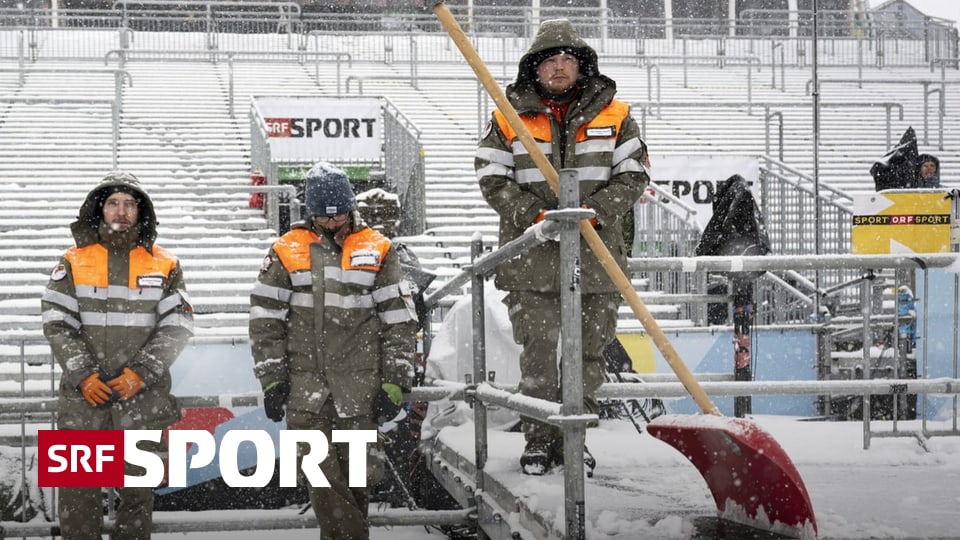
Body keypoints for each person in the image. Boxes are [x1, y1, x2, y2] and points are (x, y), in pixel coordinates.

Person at [475, 18, 650, 475]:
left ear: (581, 65)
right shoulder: (507, 116)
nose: (558, 67)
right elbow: (491, 177)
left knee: (588, 355)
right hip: (532, 258)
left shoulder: (615, 114)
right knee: (539, 354)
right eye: (549, 60)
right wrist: (534, 214)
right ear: (533, 68)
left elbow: (634, 175)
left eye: (566, 59)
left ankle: (574, 439)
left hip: (596, 256)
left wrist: (595, 211)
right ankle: (537, 440)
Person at [248, 162, 416, 540]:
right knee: (322, 483)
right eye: (322, 216)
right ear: (310, 212)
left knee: (357, 485)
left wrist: (395, 380)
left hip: (360, 391)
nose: (331, 222)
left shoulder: (378, 248)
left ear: (350, 207)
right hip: (305, 391)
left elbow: (399, 320)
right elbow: (265, 320)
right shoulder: (285, 250)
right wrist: (272, 378)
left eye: (338, 213)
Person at [41, 171, 194, 539]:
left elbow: (178, 326)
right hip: (83, 403)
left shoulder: (165, 263)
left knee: (137, 502)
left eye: (129, 204)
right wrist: (84, 375)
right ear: (100, 209)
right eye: (113, 203)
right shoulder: (73, 260)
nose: (121, 211)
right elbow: (56, 322)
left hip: (140, 403)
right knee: (78, 502)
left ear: (141, 211)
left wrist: (140, 373)